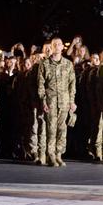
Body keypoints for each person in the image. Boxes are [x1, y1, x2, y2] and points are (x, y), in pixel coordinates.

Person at [38, 38, 76, 167]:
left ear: (62, 47)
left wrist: (72, 101)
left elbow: (72, 84)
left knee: (62, 129)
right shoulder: (44, 64)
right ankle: (51, 155)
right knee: (51, 129)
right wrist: (43, 100)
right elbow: (41, 84)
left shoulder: (68, 64)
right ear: (52, 47)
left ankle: (59, 154)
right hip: (51, 101)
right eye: (54, 45)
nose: (57, 47)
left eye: (59, 44)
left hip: (64, 101)